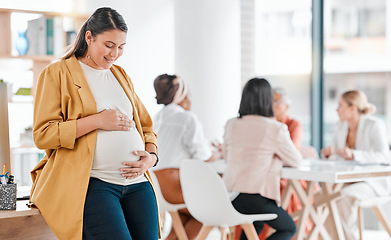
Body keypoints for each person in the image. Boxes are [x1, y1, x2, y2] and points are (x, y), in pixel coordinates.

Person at [30, 7, 159, 240]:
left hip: (138, 184)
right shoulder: (57, 73)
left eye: (121, 47)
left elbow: (147, 127)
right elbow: (43, 135)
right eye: (109, 45)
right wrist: (96, 121)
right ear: (89, 37)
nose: (115, 54)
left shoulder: (120, 75)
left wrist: (151, 158)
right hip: (95, 184)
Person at [222, 78, 301, 240]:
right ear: (267, 100)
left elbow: (226, 157)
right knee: (288, 228)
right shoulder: (275, 128)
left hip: (230, 197)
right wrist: (276, 157)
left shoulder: (231, 124)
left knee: (254, 225)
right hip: (256, 198)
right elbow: (296, 161)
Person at [152, 74, 221, 240]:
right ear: (180, 93)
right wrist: (220, 153)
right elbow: (202, 155)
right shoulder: (186, 118)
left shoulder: (156, 118)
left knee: (185, 217)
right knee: (210, 211)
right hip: (173, 183)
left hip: (155, 184)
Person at [320, 90, 391, 239]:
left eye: (340, 106)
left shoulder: (374, 125)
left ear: (353, 108)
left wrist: (355, 154)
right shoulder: (341, 126)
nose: (337, 110)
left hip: (372, 182)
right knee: (322, 197)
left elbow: (385, 156)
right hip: (347, 179)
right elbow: (336, 154)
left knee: (342, 198)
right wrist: (329, 153)